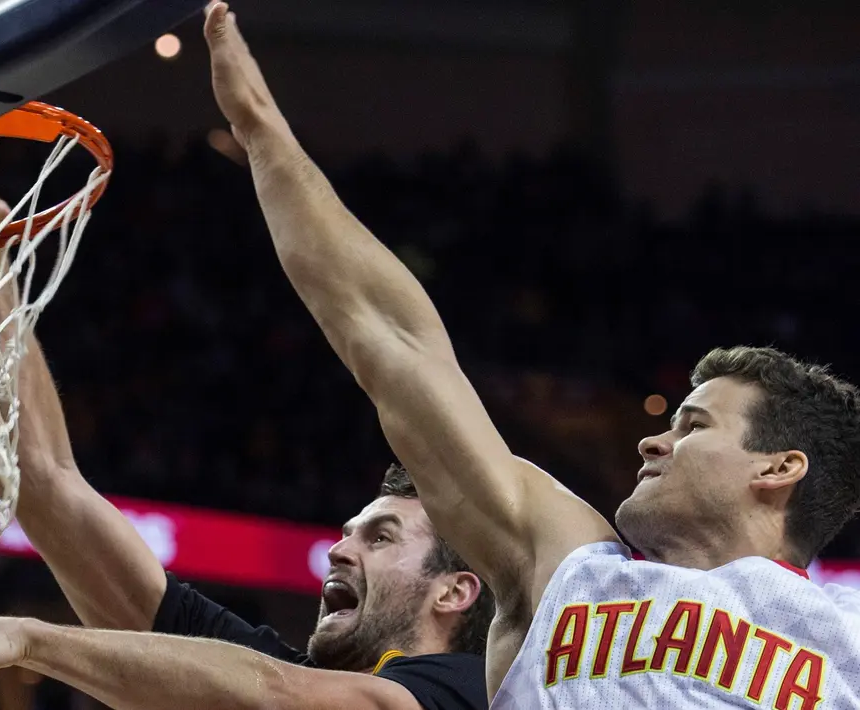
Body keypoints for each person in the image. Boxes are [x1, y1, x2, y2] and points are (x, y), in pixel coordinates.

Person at [175, 3, 860, 709]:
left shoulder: (848, 638)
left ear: (777, 468)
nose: (653, 439)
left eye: (693, 426)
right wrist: (261, 131)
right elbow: (396, 343)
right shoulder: (567, 564)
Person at [0, 14, 493, 705]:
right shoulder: (251, 679)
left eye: (380, 537)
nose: (339, 549)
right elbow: (46, 484)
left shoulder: (471, 692)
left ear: (454, 590)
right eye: (351, 532)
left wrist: (34, 640)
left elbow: (277, 696)